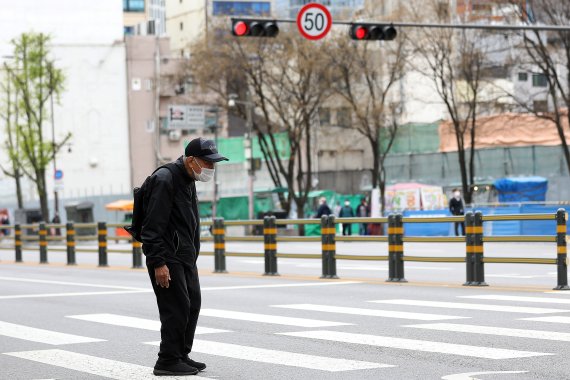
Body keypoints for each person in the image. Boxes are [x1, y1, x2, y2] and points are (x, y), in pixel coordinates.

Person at [141, 137, 228, 377]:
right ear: (191, 160)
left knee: (192, 305)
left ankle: (180, 354)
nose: (211, 168)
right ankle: (167, 360)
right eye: (207, 163)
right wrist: (159, 262)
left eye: (213, 164)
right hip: (168, 257)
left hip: (185, 257)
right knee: (176, 309)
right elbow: (152, 227)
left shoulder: (188, 179)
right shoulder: (165, 179)